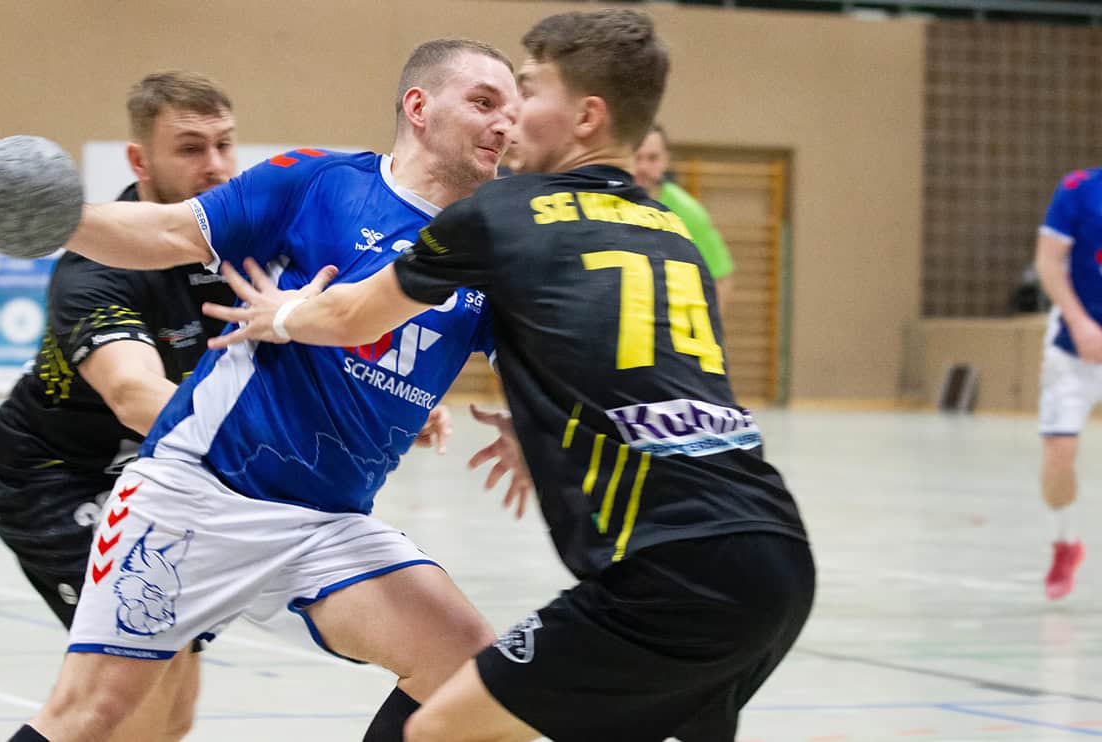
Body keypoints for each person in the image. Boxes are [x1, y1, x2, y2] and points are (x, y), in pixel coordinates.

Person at [205, 9, 814, 742]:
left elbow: (355, 316)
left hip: (669, 571)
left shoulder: (505, 212)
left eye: (530, 90)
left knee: (435, 731)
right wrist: (539, 419)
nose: (513, 113)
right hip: (778, 552)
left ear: (586, 117)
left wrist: (279, 315)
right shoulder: (671, 234)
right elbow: (638, 371)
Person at [2, 39, 517, 742]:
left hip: (326, 524)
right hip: (197, 496)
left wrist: (532, 424)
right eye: (484, 102)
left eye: (512, 110)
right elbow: (167, 232)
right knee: (95, 715)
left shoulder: (492, 249)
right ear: (419, 107)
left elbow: (539, 366)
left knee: (468, 669)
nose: (504, 124)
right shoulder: (321, 182)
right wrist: (56, 215)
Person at [0, 70, 241, 742]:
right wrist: (266, 443)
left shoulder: (238, 242)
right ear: (139, 161)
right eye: (190, 148)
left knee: (173, 707)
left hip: (155, 477)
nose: (215, 166)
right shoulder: (96, 266)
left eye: (223, 144)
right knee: (118, 696)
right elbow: (135, 396)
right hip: (53, 476)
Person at [1033, 167, 1102, 600]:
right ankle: (1064, 543)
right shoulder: (1079, 189)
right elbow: (1048, 261)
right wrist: (1079, 323)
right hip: (1074, 347)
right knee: (1060, 452)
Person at [634, 123, 735, 316]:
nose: (643, 167)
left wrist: (709, 328)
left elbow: (720, 278)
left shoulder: (688, 212)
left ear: (666, 160)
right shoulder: (608, 203)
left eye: (652, 158)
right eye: (637, 157)